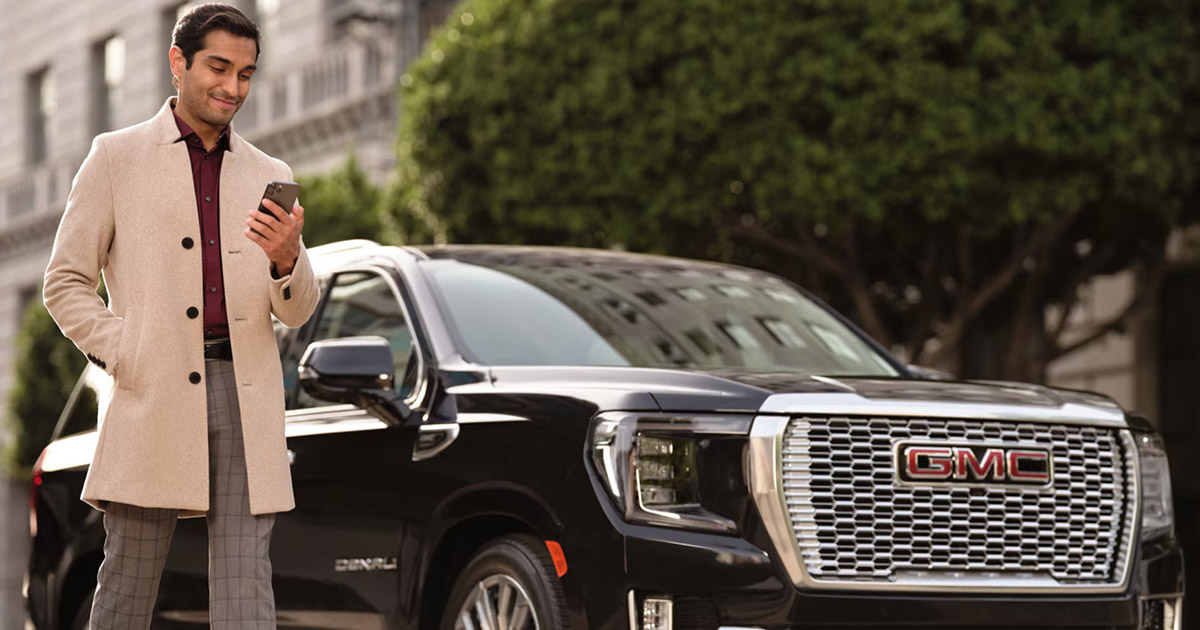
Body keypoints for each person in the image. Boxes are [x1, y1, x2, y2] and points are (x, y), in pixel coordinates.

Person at [41, 4, 320, 628]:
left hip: (246, 394)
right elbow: (64, 283)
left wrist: (287, 259)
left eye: (245, 74)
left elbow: (298, 308)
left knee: (247, 591)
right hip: (153, 391)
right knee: (128, 586)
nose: (232, 87)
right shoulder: (115, 157)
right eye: (218, 68)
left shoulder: (270, 173)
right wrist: (127, 351)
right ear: (178, 63)